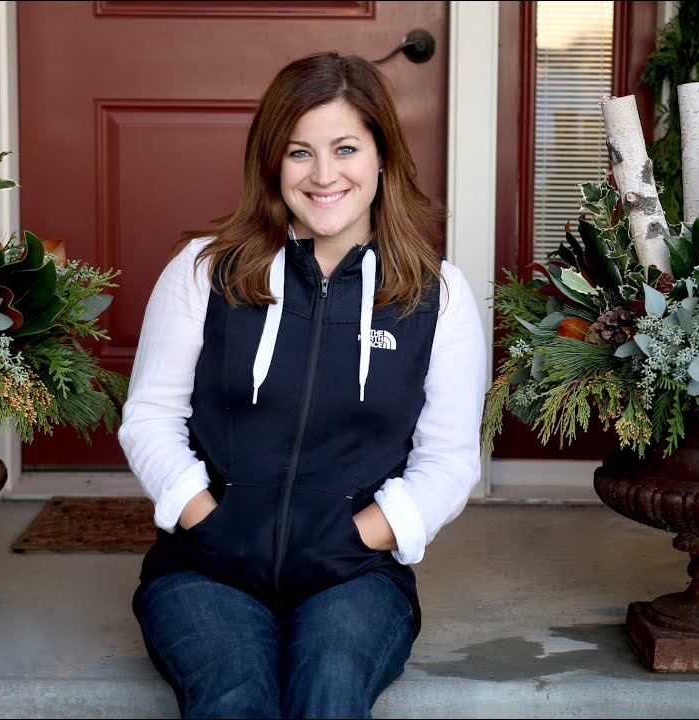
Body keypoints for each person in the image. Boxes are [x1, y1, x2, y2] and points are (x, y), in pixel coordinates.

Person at [117, 51, 488, 719]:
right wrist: (210, 522)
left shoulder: (437, 296)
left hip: (355, 574)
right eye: (299, 152)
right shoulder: (204, 272)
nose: (323, 175)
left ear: (382, 156)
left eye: (345, 148)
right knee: (234, 696)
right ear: (271, 163)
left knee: (331, 692)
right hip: (207, 566)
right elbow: (149, 418)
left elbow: (449, 459)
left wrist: (360, 537)